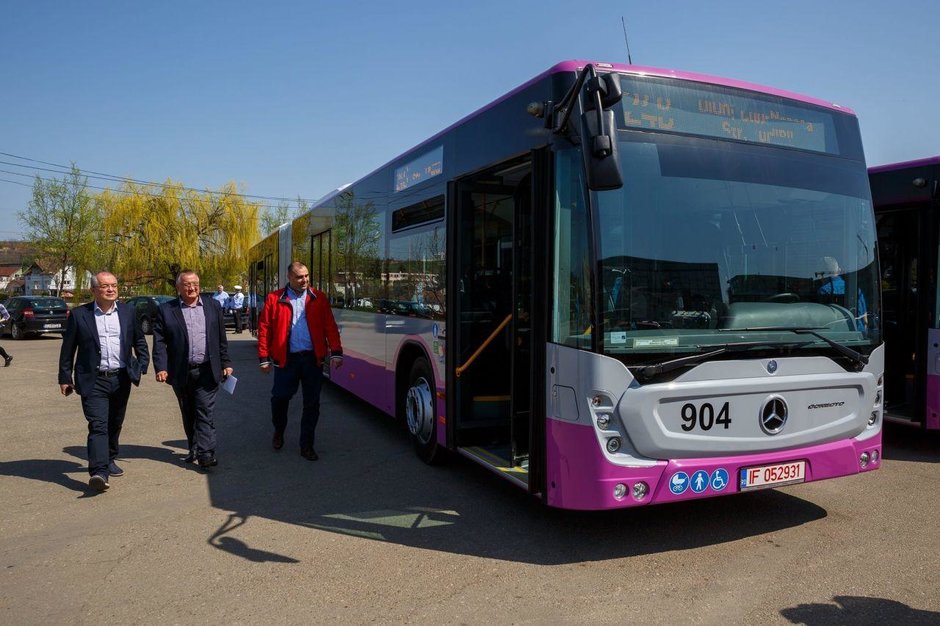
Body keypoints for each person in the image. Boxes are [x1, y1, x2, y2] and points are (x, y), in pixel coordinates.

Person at [58, 271, 150, 492]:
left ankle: (109, 457)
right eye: (105, 286)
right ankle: (99, 471)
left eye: (114, 285)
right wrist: (64, 377)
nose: (111, 289)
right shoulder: (80, 315)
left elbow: (139, 341)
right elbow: (68, 349)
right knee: (98, 425)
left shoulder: (128, 312)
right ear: (93, 290)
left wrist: (141, 365)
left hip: (121, 378)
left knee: (114, 423)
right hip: (93, 379)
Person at [257, 261, 343, 461]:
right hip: (287, 360)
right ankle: (279, 429)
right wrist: (264, 357)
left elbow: (330, 325)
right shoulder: (274, 298)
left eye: (306, 276)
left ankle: (307, 445)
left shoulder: (318, 298)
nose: (304, 280)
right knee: (280, 399)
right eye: (299, 277)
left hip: (312, 360)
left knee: (312, 404)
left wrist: (336, 352)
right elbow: (264, 329)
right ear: (289, 278)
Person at [152, 270, 234, 468]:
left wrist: (226, 363)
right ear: (178, 287)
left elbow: (220, 339)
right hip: (181, 371)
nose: (192, 287)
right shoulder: (166, 309)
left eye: (195, 283)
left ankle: (206, 453)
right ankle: (194, 447)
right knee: (188, 412)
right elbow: (159, 341)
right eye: (187, 284)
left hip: (207, 369)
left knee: (204, 410)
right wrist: (161, 367)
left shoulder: (213, 306)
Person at [0, 302, 12, 366]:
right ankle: (7, 357)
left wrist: (0, 321)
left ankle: (7, 357)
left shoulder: (0, 306)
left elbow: (7, 316)